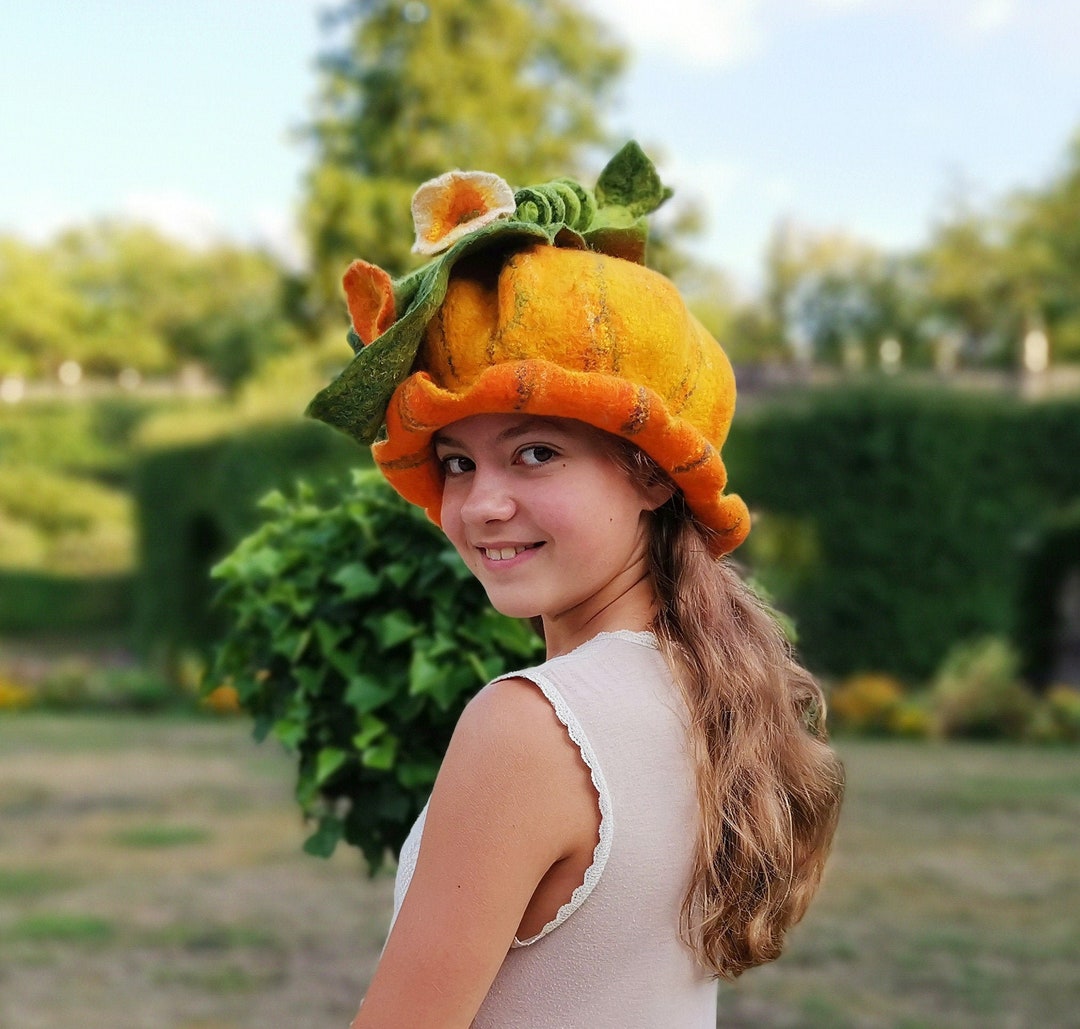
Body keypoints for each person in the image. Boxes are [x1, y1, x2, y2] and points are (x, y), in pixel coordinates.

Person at [307, 143, 845, 1028]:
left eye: (535, 452)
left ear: (651, 471)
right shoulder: (711, 688)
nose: (482, 503)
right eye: (457, 461)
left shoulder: (529, 725)